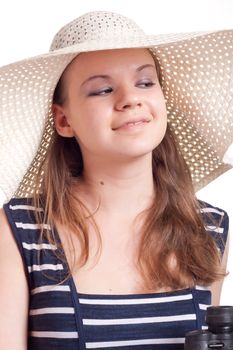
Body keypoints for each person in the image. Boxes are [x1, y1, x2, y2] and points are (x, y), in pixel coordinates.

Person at [0, 10, 232, 350]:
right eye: (103, 89)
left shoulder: (207, 228)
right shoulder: (20, 230)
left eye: (145, 82)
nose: (130, 99)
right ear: (64, 120)